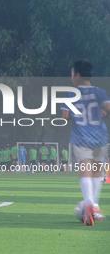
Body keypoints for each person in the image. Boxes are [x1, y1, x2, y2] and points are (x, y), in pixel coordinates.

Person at [62, 59, 110, 225]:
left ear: (77, 75)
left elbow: (66, 116)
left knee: (85, 172)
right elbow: (107, 108)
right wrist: (102, 112)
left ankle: (88, 205)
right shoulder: (99, 92)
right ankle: (95, 208)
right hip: (100, 137)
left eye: (71, 74)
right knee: (97, 173)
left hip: (81, 137)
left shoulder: (71, 94)